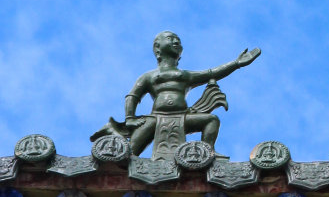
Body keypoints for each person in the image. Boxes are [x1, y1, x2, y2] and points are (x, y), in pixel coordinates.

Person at [99, 32, 261, 156]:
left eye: (178, 40)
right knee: (130, 153)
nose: (176, 41)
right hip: (155, 118)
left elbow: (212, 73)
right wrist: (130, 119)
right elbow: (132, 96)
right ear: (157, 47)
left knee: (211, 120)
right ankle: (118, 151)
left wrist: (236, 63)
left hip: (183, 116)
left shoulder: (185, 75)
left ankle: (206, 151)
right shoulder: (149, 76)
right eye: (170, 39)